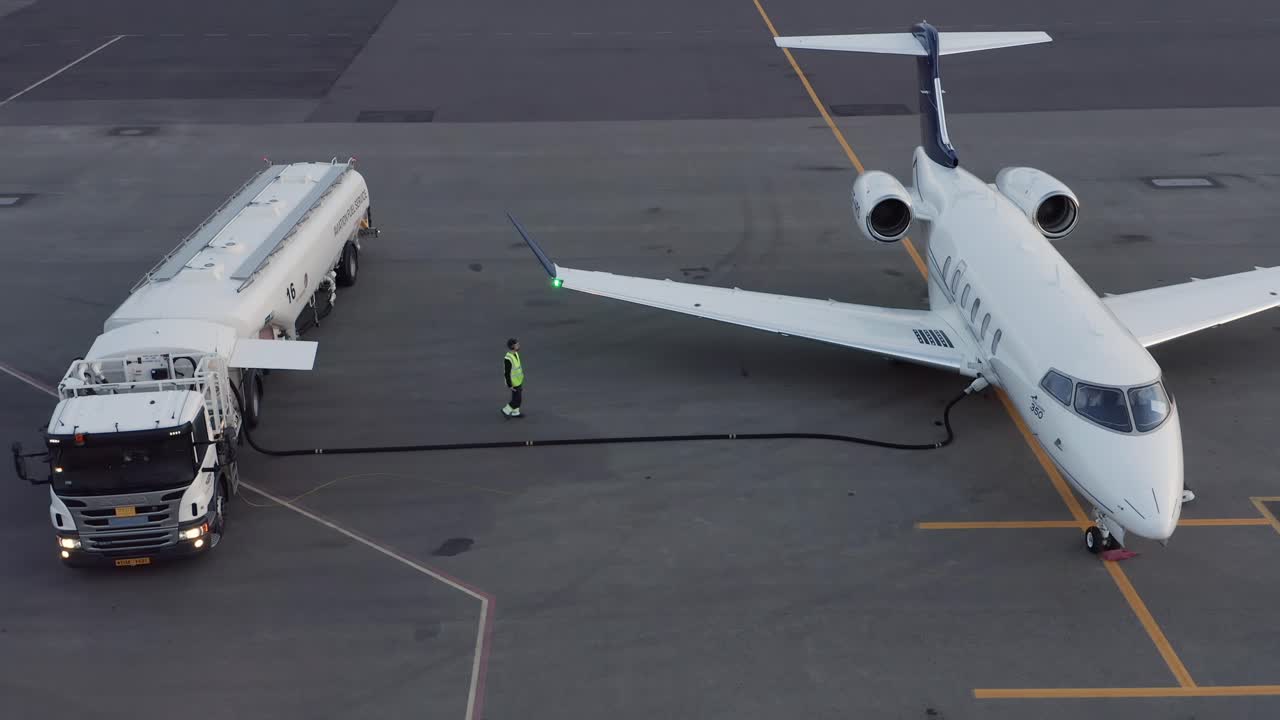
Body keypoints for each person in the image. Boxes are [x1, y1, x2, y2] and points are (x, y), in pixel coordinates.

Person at [502, 338, 524, 418]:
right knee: (517, 399)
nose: (519, 346)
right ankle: (506, 410)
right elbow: (507, 373)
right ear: (512, 346)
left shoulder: (516, 354)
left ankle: (515, 412)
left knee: (517, 398)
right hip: (513, 382)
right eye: (517, 345)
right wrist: (509, 385)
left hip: (518, 380)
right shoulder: (508, 358)